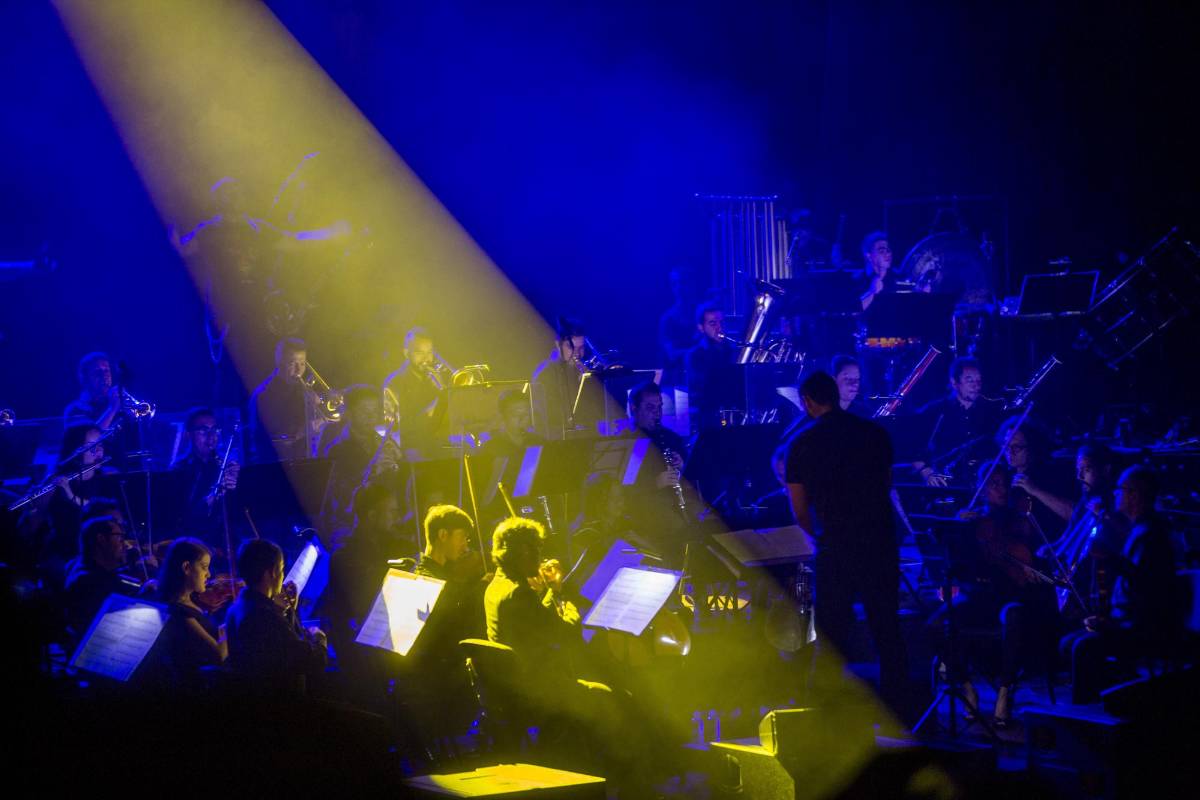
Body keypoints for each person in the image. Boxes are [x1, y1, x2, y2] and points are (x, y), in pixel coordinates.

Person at [785, 371, 907, 713]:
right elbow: (886, 486)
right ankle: (900, 712)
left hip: (837, 547)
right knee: (887, 627)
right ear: (835, 395)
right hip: (880, 541)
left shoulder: (802, 444)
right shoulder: (874, 433)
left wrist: (822, 537)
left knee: (832, 633)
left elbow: (799, 510)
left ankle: (829, 714)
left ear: (807, 401)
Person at [1062, 466, 1185, 703]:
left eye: (1120, 489)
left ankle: (1089, 713)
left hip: (1145, 627)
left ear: (1134, 496)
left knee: (1081, 647)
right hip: (1128, 620)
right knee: (1068, 642)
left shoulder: (1151, 534)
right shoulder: (1140, 528)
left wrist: (1111, 559)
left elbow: (1146, 585)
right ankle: (1114, 690)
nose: (1116, 494)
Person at [949, 463, 1059, 727]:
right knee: (934, 625)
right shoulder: (972, 521)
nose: (1000, 489)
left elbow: (1030, 557)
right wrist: (958, 529)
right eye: (992, 483)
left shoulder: (1019, 518)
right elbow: (957, 565)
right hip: (978, 595)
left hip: (1009, 595)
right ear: (981, 487)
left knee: (1014, 617)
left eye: (1003, 483)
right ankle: (967, 688)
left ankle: (1004, 691)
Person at [225, 538, 327, 694]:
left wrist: (290, 610)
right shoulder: (264, 615)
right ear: (271, 572)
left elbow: (286, 646)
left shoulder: (238, 607)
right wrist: (320, 639)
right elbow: (309, 662)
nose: (282, 575)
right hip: (279, 708)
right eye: (281, 568)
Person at [911, 357, 1005, 487]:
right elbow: (913, 446)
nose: (976, 385)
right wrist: (926, 472)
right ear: (954, 382)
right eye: (969, 380)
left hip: (982, 484)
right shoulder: (935, 411)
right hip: (947, 483)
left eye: (979, 380)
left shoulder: (990, 411)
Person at [150, 538, 226, 686]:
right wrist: (230, 622)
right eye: (204, 567)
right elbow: (218, 655)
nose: (208, 575)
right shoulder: (178, 611)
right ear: (186, 568)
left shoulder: (190, 601)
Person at [248, 337, 327, 462]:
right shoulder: (265, 395)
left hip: (303, 460)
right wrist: (307, 429)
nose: (299, 370)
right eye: (292, 363)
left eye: (302, 363)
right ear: (279, 363)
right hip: (276, 464)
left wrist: (319, 408)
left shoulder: (302, 389)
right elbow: (279, 439)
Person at [169, 408, 239, 547]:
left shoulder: (225, 465)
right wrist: (215, 493)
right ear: (189, 435)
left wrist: (237, 486)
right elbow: (183, 516)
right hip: (194, 544)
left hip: (225, 543)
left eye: (215, 430)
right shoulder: (179, 469)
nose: (211, 436)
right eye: (203, 430)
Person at [63, 516, 137, 637]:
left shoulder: (98, 574)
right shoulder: (86, 581)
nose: (126, 544)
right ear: (101, 539)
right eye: (120, 537)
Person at [382, 327, 445, 457]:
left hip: (438, 443)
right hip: (412, 448)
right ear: (406, 353)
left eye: (429, 352)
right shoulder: (394, 382)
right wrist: (435, 405)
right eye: (419, 352)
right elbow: (394, 427)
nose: (426, 358)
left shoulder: (434, 378)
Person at [531, 317, 591, 440]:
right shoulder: (546, 374)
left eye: (581, 348)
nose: (577, 354)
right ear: (558, 345)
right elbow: (548, 420)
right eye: (571, 347)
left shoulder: (578, 371)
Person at [684, 302, 737, 432]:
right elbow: (701, 388)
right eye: (713, 323)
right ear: (701, 328)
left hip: (734, 414)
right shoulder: (694, 355)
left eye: (722, 322)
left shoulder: (732, 350)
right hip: (708, 418)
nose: (719, 327)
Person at [657, 268, 699, 394]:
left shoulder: (701, 314)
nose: (679, 287)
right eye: (675, 283)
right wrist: (698, 349)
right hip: (675, 382)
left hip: (700, 380)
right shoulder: (667, 319)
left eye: (683, 282)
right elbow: (672, 354)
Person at [858, 232, 895, 311]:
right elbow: (855, 310)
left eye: (888, 250)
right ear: (869, 256)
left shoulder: (897, 278)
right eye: (881, 251)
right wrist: (872, 292)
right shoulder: (859, 280)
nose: (887, 254)